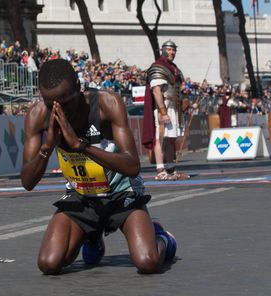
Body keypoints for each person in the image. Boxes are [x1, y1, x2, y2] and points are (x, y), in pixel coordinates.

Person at [21, 59, 176, 275]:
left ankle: (162, 237)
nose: (59, 110)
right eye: (50, 103)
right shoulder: (37, 116)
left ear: (78, 87)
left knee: (147, 262)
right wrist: (47, 147)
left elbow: (132, 166)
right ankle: (91, 236)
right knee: (49, 263)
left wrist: (80, 146)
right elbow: (27, 182)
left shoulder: (106, 103)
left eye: (66, 102)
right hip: (82, 196)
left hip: (121, 193)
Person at [142, 40, 189, 181]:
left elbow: (178, 88)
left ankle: (170, 169)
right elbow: (156, 91)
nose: (172, 52)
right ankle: (161, 170)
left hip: (174, 107)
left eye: (174, 50)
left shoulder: (174, 68)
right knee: (160, 139)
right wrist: (163, 112)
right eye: (169, 49)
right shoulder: (158, 67)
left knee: (170, 139)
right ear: (163, 50)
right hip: (163, 107)